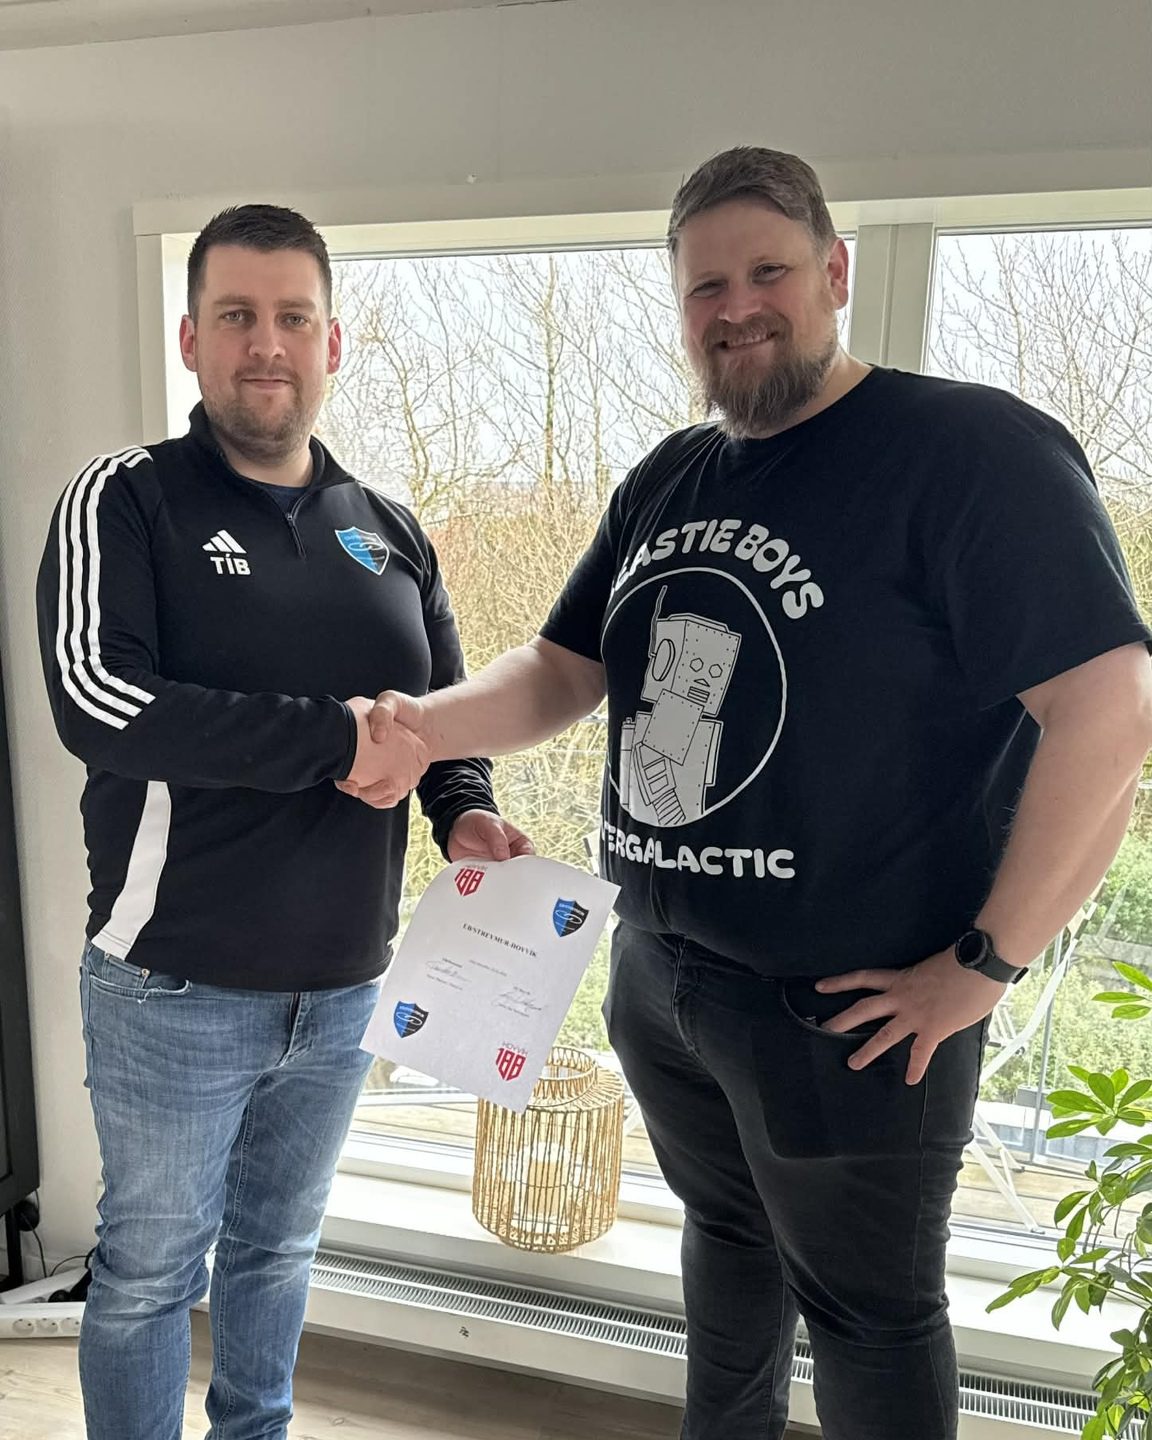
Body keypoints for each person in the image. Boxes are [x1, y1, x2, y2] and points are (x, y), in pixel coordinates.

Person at [340, 148, 1152, 1440]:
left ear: (835, 272)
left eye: (767, 271)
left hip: (850, 1012)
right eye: (705, 288)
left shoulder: (966, 452)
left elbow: (1108, 711)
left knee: (870, 1318)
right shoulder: (671, 475)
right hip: (663, 978)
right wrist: (419, 726)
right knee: (726, 1245)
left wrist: (987, 965)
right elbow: (562, 670)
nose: (737, 308)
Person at [36, 203, 530, 1440]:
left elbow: (439, 716)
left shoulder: (389, 529)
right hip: (175, 984)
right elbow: (99, 702)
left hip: (347, 986)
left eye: (294, 318)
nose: (268, 344)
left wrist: (466, 812)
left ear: (333, 343)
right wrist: (334, 740)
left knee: (279, 1252)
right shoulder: (127, 499)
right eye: (239, 316)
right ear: (191, 339)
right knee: (150, 1275)